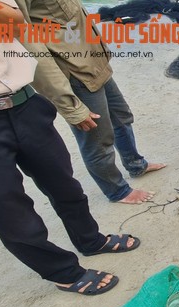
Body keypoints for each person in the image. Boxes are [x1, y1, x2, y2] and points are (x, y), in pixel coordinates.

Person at [0, 0, 140, 295]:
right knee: (6, 209)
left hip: (23, 103)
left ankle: (90, 240)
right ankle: (64, 272)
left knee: (64, 184)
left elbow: (15, 22)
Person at [15, 0, 165, 203]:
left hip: (93, 60)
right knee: (97, 139)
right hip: (74, 71)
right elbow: (28, 43)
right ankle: (117, 191)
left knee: (122, 117)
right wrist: (69, 105)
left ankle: (136, 164)